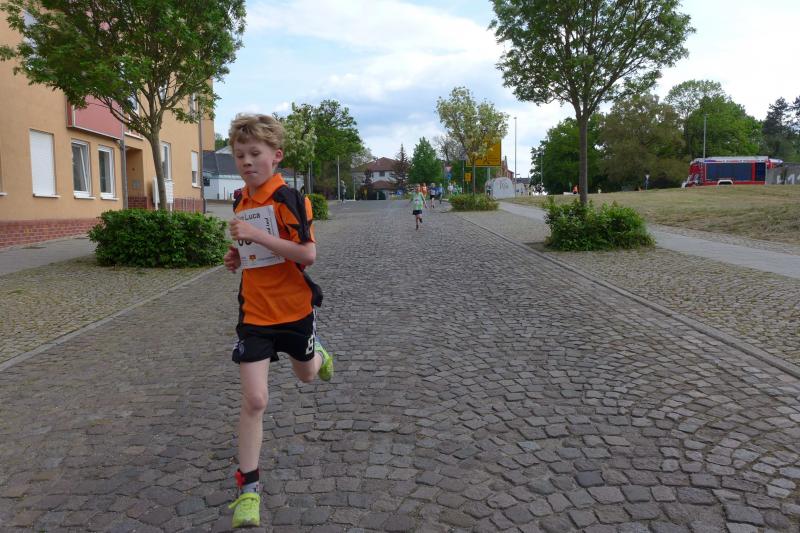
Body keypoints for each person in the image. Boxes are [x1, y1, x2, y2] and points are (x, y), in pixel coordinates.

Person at [223, 113, 334, 529]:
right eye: (240, 155)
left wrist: (258, 238)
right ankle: (248, 491)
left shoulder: (290, 199)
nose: (247, 162)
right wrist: (236, 256)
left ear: (276, 156)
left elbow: (307, 255)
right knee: (255, 400)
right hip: (255, 313)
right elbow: (252, 253)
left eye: (255, 153)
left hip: (294, 311)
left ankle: (317, 353)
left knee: (307, 375)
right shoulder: (240, 200)